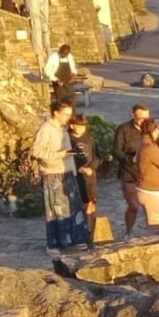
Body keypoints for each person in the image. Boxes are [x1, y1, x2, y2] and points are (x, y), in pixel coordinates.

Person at [32, 101, 89, 250]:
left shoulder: (62, 129)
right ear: (56, 113)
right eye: (65, 114)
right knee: (57, 210)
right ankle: (57, 243)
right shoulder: (46, 129)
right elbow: (37, 151)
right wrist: (59, 155)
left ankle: (74, 240)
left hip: (67, 171)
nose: (67, 118)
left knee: (72, 208)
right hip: (54, 173)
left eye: (69, 115)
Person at [113, 103, 159, 236]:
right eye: (141, 119)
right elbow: (116, 151)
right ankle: (128, 232)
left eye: (146, 118)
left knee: (150, 206)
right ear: (133, 116)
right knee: (134, 205)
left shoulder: (152, 129)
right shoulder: (123, 129)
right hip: (129, 173)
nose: (144, 122)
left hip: (146, 175)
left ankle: (154, 234)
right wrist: (130, 160)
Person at [134, 117, 159, 234]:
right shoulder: (150, 147)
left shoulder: (143, 143)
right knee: (157, 227)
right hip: (152, 191)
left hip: (149, 189)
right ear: (155, 131)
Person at [67, 114, 100, 233]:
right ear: (72, 125)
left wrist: (91, 168)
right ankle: (78, 230)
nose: (82, 129)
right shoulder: (67, 139)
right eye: (79, 126)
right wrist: (76, 168)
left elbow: (96, 156)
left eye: (84, 126)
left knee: (91, 204)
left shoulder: (90, 138)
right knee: (77, 205)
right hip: (74, 177)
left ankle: (91, 231)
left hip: (89, 177)